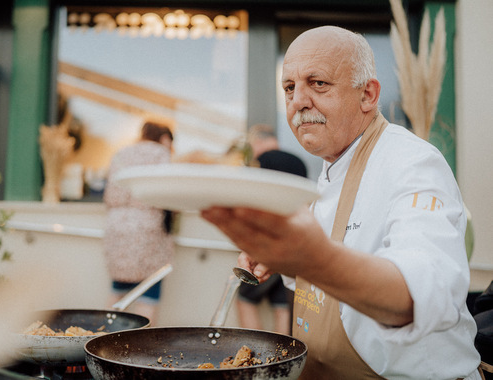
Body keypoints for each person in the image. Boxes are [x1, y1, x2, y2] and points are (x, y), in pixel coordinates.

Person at [202, 26, 482, 379]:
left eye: (318, 83)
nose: (298, 101)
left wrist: (311, 257)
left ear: (367, 94)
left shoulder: (412, 162)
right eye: (289, 88)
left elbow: (418, 297)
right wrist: (283, 257)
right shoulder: (332, 166)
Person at [236, 124, 307, 335]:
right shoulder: (297, 161)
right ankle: (281, 360)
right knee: (283, 305)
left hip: (268, 241)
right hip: (296, 240)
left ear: (258, 142)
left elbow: (253, 203)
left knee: (245, 299)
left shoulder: (261, 163)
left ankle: (255, 356)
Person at [103, 121, 174, 326]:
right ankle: (141, 345)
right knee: (149, 288)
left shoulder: (121, 153)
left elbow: (110, 193)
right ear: (164, 138)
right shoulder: (161, 154)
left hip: (116, 224)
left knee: (117, 289)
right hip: (148, 226)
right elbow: (166, 193)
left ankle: (101, 340)